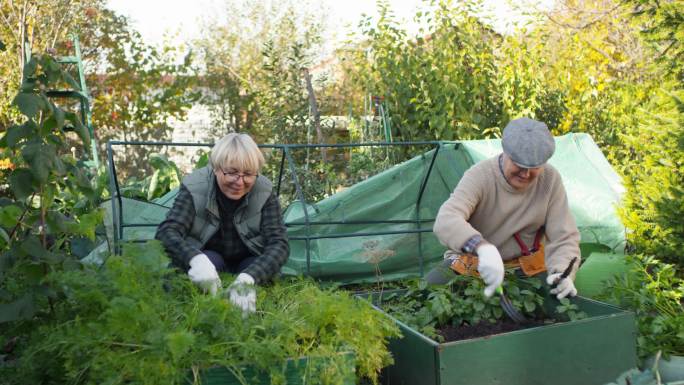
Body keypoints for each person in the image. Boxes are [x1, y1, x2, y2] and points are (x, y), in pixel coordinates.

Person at [426, 117, 580, 300]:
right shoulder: (481, 176)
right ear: (505, 152)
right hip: (472, 264)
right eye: (520, 165)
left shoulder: (550, 180)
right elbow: (446, 219)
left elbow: (564, 236)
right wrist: (482, 248)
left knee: (559, 304)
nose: (526, 174)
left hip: (524, 268)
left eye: (534, 168)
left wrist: (562, 273)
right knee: (425, 294)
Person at [155, 133, 289, 313]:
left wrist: (250, 277)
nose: (240, 182)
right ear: (216, 167)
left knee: (254, 268)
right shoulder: (195, 187)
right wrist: (196, 260)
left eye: (248, 174)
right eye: (232, 172)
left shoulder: (264, 191)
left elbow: (279, 244)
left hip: (248, 259)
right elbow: (167, 231)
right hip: (210, 258)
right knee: (210, 260)